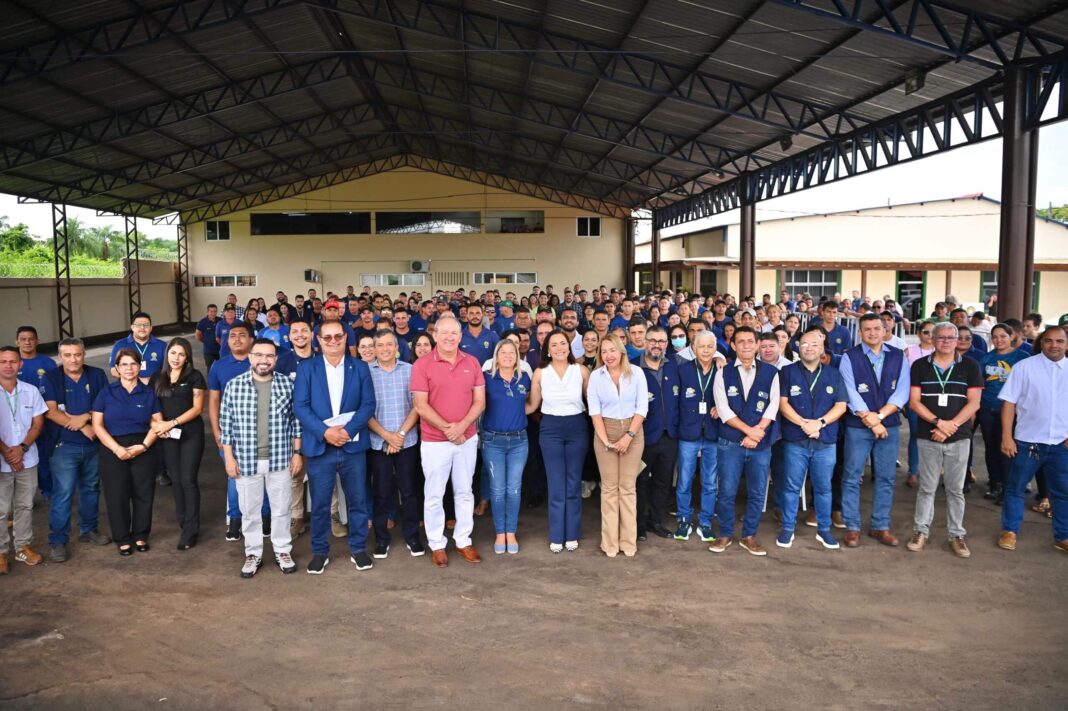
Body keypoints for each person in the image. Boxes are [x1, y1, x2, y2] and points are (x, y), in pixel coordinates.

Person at [293, 320, 376, 575]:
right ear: (318, 340)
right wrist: (326, 432)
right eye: (327, 337)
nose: (332, 341)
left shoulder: (359, 368)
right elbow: (300, 407)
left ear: (344, 338)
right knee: (319, 504)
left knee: (358, 500)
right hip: (321, 447)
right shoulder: (307, 368)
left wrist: (348, 432)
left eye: (337, 336)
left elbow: (368, 405)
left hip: (352, 446)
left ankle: (358, 548)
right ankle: (320, 551)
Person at [219, 338, 301, 578]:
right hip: (245, 460)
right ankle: (253, 553)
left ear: (275, 359)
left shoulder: (287, 385)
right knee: (250, 510)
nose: (264, 360)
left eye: (269, 356)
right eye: (259, 355)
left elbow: (296, 423)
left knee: (281, 508)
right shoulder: (234, 386)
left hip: (280, 459)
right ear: (250, 357)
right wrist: (229, 458)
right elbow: (227, 425)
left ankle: (282, 550)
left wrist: (297, 453)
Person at [411, 315, 485, 568]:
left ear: (460, 336)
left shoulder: (472, 362)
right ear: (435, 335)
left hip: (466, 439)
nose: (450, 337)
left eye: (454, 333)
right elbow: (420, 404)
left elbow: (479, 401)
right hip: (434, 441)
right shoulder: (422, 365)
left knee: (465, 491)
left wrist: (462, 427)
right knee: (434, 494)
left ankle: (463, 539)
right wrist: (448, 429)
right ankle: (437, 543)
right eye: (445, 333)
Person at [905, 323, 983, 558]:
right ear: (933, 339)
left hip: (959, 437)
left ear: (958, 339)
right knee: (926, 488)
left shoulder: (970, 366)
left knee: (955, 489)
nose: (946, 341)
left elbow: (974, 403)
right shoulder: (920, 366)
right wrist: (939, 423)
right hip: (929, 435)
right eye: (941, 337)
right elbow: (914, 402)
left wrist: (951, 427)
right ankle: (920, 531)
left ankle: (956, 534)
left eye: (951, 337)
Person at [838, 313, 911, 548]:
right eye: (867, 329)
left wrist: (879, 417)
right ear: (860, 332)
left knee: (886, 477)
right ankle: (852, 527)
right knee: (851, 477)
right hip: (858, 427)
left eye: (876, 328)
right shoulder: (850, 357)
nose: (872, 333)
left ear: (884, 329)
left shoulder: (898, 356)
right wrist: (870, 419)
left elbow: (902, 391)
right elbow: (850, 391)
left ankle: (881, 526)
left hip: (887, 425)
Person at [996, 325, 1068, 553]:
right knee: (1015, 488)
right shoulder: (1024, 367)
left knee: (1063, 493)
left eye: (1059, 341)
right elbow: (1009, 403)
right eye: (1049, 341)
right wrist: (1007, 437)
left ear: (1066, 344)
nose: (1054, 345)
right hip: (1028, 442)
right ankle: (1010, 531)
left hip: (1061, 444)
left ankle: (1063, 536)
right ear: (1042, 342)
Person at [777, 328, 848, 549]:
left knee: (823, 487)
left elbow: (841, 405)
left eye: (814, 344)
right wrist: (804, 424)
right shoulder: (787, 372)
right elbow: (782, 403)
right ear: (797, 347)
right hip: (795, 440)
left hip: (824, 441)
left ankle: (824, 530)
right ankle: (788, 529)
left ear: (822, 348)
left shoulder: (833, 374)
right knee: (791, 487)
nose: (809, 348)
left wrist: (820, 424)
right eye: (804, 344)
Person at [710, 326, 779, 556]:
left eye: (751, 341)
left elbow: (773, 406)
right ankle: (726, 533)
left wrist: (757, 432)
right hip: (730, 443)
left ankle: (749, 535)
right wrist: (748, 431)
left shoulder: (771, 373)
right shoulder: (723, 372)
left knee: (757, 492)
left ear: (758, 344)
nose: (747, 345)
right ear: (733, 345)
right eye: (741, 342)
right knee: (727, 490)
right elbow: (723, 409)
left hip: (760, 444)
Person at [42, 338, 111, 562]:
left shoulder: (97, 375)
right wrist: (84, 427)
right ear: (60, 357)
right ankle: (58, 540)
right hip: (64, 446)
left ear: (84, 354)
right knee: (63, 494)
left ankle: (88, 530)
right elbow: (51, 412)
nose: (74, 359)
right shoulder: (52, 378)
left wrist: (85, 416)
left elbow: (105, 404)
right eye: (68, 355)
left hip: (93, 446)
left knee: (91, 489)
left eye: (78, 354)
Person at [91, 348, 163, 556]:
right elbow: (97, 424)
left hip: (143, 447)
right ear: (116, 368)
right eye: (124, 364)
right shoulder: (107, 393)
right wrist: (116, 449)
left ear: (140, 367)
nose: (129, 368)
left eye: (133, 364)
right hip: (112, 448)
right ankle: (122, 538)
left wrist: (144, 446)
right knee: (117, 495)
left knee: (143, 494)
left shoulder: (148, 393)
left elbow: (157, 423)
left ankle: (141, 535)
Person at [528, 330, 590, 551]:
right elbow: (532, 406)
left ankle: (572, 533)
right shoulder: (540, 373)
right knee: (556, 483)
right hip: (551, 428)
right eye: (553, 345)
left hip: (576, 428)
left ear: (569, 345)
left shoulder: (581, 371)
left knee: (573, 482)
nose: (559, 348)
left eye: (563, 343)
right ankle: (556, 535)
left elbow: (592, 401)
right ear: (548, 349)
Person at [588, 333, 648, 557]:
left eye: (612, 350)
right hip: (605, 431)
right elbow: (594, 412)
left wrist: (628, 436)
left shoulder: (637, 374)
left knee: (628, 489)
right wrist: (606, 441)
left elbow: (642, 408)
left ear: (621, 351)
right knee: (610, 489)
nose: (608, 355)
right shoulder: (596, 376)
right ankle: (610, 543)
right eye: (604, 351)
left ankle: (628, 543)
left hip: (633, 431)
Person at [367, 329, 423, 558]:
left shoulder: (410, 370)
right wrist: (387, 436)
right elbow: (363, 410)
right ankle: (382, 539)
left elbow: (417, 406)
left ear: (397, 347)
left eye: (389, 344)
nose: (385, 349)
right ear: (374, 349)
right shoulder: (366, 373)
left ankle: (412, 537)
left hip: (406, 441)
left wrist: (399, 435)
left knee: (409, 492)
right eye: (380, 345)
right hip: (378, 442)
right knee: (381, 492)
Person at [148, 338, 207, 550]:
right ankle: (184, 521)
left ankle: (191, 530)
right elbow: (151, 407)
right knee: (176, 479)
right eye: (173, 353)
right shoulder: (157, 377)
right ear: (167, 354)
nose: (176, 358)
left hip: (190, 434)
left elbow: (197, 408)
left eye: (181, 354)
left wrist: (170, 423)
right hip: (167, 436)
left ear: (187, 357)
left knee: (188, 479)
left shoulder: (195, 376)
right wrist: (158, 426)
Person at [0, 345, 48, 572]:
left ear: (20, 365)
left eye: (13, 361)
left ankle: (22, 547)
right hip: (2, 461)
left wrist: (22, 448)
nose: (8, 365)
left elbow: (38, 424)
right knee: (0, 509)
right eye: (3, 361)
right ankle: (1, 552)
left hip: (28, 459)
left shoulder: (31, 390)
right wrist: (8, 452)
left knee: (24, 505)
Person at [208, 322, 258, 541]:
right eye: (233, 336)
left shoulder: (259, 362)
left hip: (260, 432)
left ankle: (263, 518)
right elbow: (214, 401)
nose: (237, 339)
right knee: (234, 476)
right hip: (230, 434)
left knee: (262, 474)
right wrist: (216, 431)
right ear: (227, 341)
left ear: (251, 340)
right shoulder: (218, 367)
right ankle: (235, 519)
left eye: (242, 335)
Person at [482, 339, 531, 554]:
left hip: (519, 440)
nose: (508, 356)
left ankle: (511, 532)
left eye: (512, 352)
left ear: (517, 356)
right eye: (503, 352)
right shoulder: (486, 379)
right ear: (496, 356)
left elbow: (531, 404)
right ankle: (499, 532)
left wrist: (516, 415)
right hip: (493, 441)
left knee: (514, 489)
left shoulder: (524, 378)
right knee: (498, 489)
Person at [673, 331, 720, 543]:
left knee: (710, 482)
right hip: (689, 432)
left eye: (710, 346)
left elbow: (730, 395)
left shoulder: (722, 370)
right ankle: (684, 519)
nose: (706, 350)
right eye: (702, 346)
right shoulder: (682, 370)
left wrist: (721, 408)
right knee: (684, 479)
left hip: (712, 432)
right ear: (693, 347)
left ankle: (706, 522)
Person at [633, 326, 678, 540]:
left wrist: (717, 358)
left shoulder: (676, 366)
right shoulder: (632, 368)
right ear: (644, 341)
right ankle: (639, 524)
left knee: (663, 481)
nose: (657, 345)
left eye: (661, 341)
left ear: (666, 344)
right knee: (640, 481)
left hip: (669, 436)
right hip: (642, 436)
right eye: (652, 340)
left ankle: (656, 522)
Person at [977, 324, 1029, 503]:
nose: (999, 340)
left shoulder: (1022, 358)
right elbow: (979, 384)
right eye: (995, 337)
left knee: (1006, 449)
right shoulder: (986, 359)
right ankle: (995, 483)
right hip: (987, 408)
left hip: (1011, 411)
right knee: (990, 446)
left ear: (1011, 337)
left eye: (1003, 336)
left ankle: (1009, 487)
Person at [15, 326, 57, 498]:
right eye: (23, 339)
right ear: (17, 341)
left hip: (43, 416)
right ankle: (22, 494)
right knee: (19, 452)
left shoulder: (48, 363)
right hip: (17, 417)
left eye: (31, 338)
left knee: (45, 454)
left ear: (37, 341)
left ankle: (48, 490)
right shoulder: (11, 363)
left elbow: (55, 389)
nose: (27, 342)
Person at [903, 322, 936, 487]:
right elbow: (902, 377)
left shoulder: (943, 351)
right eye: (925, 332)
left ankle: (934, 470)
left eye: (933, 332)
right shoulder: (909, 351)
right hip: (914, 400)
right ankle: (914, 470)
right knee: (916, 434)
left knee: (936, 434)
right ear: (918, 333)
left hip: (937, 400)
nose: (929, 335)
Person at [109, 311, 167, 383]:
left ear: (151, 328)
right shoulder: (120, 345)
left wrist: (152, 381)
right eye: (138, 325)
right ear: (132, 327)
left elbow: (168, 369)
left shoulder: (162, 345)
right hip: (129, 388)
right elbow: (113, 370)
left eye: (146, 325)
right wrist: (136, 380)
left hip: (156, 387)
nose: (142, 327)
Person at [195, 304, 221, 371]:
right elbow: (198, 335)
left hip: (220, 350)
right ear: (207, 312)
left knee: (221, 368)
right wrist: (206, 341)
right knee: (210, 369)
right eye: (211, 311)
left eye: (215, 311)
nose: (213, 313)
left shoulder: (220, 321)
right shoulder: (202, 322)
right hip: (209, 351)